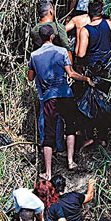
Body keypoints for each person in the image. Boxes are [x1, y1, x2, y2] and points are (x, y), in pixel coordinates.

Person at [28, 24, 94, 179]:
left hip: (49, 97)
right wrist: (85, 78)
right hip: (65, 94)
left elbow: (30, 77)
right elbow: (71, 74)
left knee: (49, 135)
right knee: (70, 127)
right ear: (52, 37)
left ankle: (48, 172)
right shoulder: (62, 51)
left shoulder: (34, 56)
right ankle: (71, 162)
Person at [75, 0, 111, 89]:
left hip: (94, 70)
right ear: (102, 10)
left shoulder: (85, 30)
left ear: (88, 11)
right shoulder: (110, 24)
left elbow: (80, 54)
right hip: (109, 68)